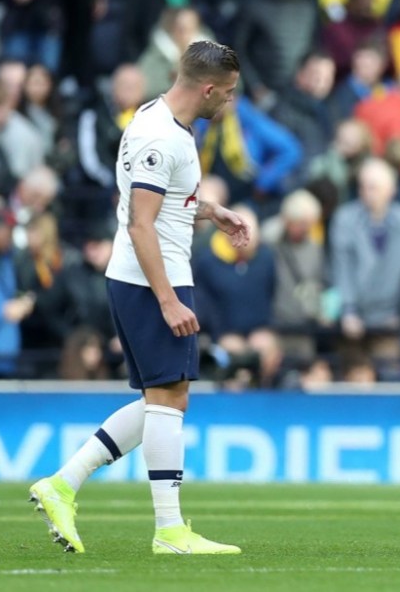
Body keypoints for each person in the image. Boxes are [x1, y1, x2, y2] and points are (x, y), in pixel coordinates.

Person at [28, 40, 250, 555]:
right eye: (230, 93)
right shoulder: (160, 136)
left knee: (160, 399)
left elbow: (160, 200)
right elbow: (141, 223)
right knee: (170, 400)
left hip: (144, 276)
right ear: (209, 88)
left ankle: (63, 484)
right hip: (151, 279)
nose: (231, 102)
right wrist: (169, 299)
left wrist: (211, 210)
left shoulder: (157, 116)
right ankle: (169, 530)